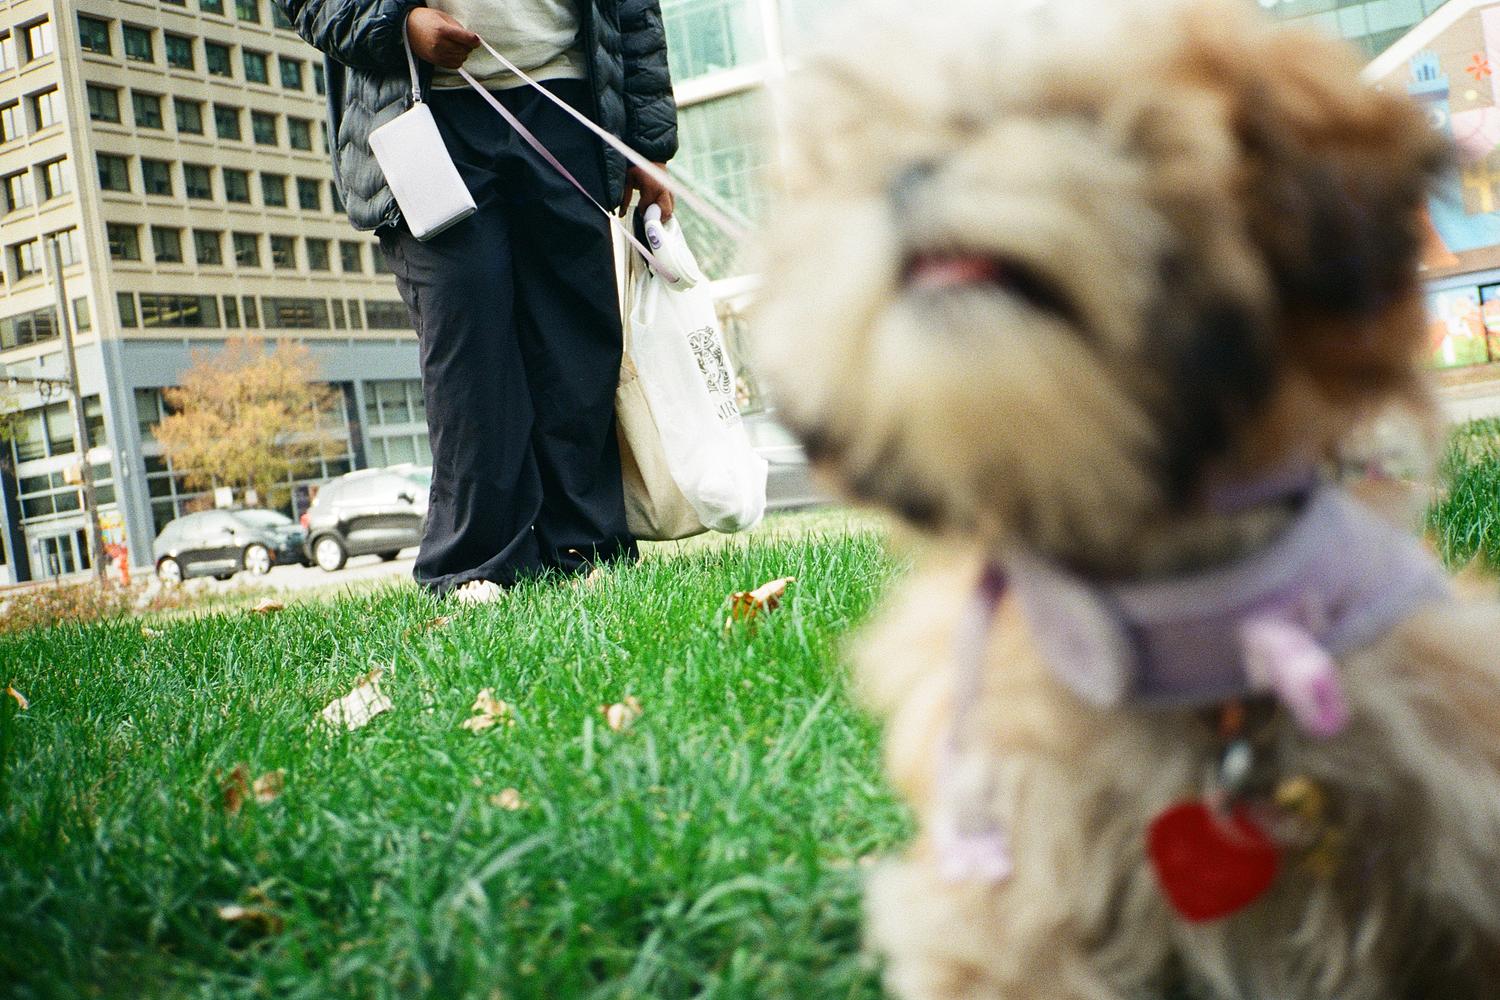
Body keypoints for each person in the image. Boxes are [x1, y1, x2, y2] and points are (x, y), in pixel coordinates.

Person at [278, 0, 678, 601]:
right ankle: (476, 562)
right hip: (423, 108)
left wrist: (649, 144)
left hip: (568, 98)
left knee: (575, 340)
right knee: (467, 349)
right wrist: (398, 25)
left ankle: (586, 547)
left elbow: (634, 10)